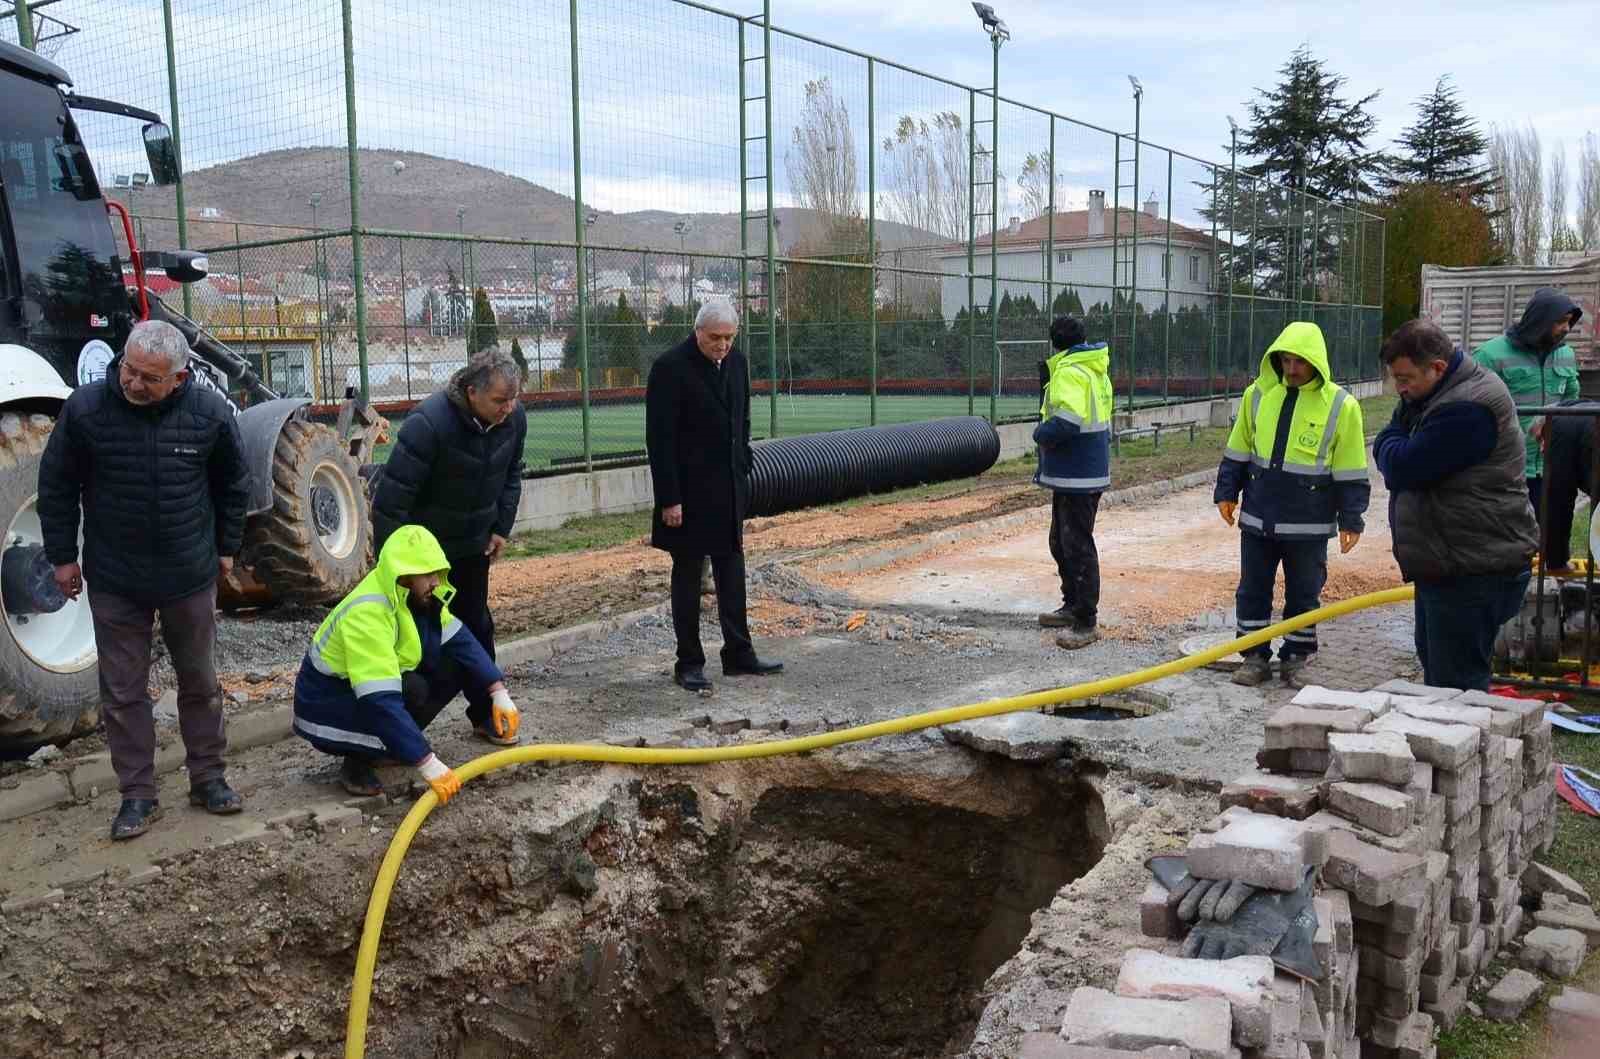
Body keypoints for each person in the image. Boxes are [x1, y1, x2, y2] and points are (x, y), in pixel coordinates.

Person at [37, 319, 251, 840]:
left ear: (178, 379)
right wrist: (63, 558)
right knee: (123, 692)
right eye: (129, 370)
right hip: (115, 578)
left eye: (149, 378)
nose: (133, 383)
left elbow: (233, 483)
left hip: (188, 573)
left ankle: (209, 778)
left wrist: (226, 548)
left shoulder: (208, 413)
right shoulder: (86, 410)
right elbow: (57, 486)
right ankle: (137, 795)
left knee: (199, 682)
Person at [291, 524, 519, 799]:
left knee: (452, 667)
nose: (436, 581)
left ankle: (391, 747)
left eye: (437, 572)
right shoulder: (367, 613)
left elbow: (463, 643)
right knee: (408, 692)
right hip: (326, 705)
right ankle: (358, 760)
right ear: (404, 576)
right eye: (428, 574)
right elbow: (379, 700)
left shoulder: (419, 599)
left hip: (361, 695)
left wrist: (498, 691)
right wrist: (427, 762)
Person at [371, 349, 527, 746]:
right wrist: (401, 569)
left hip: (473, 547)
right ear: (471, 391)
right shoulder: (428, 424)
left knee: (477, 629)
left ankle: (485, 714)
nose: (507, 408)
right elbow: (392, 502)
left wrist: (500, 527)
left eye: (512, 399)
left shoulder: (514, 420)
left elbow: (512, 474)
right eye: (499, 401)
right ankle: (395, 733)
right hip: (425, 560)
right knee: (420, 645)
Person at [1374, 319, 1538, 691]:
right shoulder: (1432, 395)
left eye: (1405, 378)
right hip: (1451, 562)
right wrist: (1394, 439)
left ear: (1438, 367)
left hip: (1473, 567)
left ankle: (1473, 749)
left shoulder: (1468, 408)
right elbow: (1393, 440)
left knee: (1457, 687)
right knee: (1440, 672)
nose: (1399, 389)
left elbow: (1403, 466)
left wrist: (1392, 442)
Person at [1214, 322, 1369, 688]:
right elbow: (1238, 449)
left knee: (1304, 591)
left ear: (1316, 361)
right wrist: (1226, 492)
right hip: (1259, 517)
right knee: (1252, 589)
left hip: (1308, 523)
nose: (1292, 369)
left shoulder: (1341, 406)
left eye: (1300, 362)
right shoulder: (1257, 395)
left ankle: (1296, 657)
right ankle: (1254, 657)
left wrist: (1352, 518)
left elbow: (1350, 468)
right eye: (1286, 360)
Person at [645, 299, 782, 694]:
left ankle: (739, 654)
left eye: (729, 338)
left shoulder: (737, 364)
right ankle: (689, 662)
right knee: (688, 577)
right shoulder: (670, 368)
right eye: (716, 338)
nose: (723, 345)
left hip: (728, 490)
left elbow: (742, 419)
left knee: (732, 572)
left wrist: (744, 464)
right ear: (698, 332)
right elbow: (660, 439)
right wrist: (669, 498)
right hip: (687, 495)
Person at [1032, 315, 1113, 649]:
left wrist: (1040, 434)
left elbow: (1066, 421)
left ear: (1054, 341)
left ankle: (1085, 621)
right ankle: (1072, 604)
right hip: (1081, 472)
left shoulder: (1069, 371)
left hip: (1078, 473)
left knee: (1076, 544)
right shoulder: (1093, 368)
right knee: (1061, 541)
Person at [1472, 287, 1584, 527]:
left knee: (1553, 525)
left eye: (1569, 322)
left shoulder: (1566, 354)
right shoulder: (1489, 355)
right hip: (1506, 466)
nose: (1567, 328)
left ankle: (1553, 564)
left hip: (1551, 463)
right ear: (1540, 321)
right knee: (1507, 533)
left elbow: (1572, 397)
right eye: (1561, 322)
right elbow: (1471, 411)